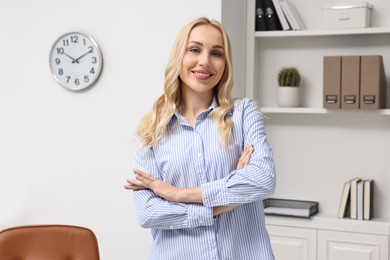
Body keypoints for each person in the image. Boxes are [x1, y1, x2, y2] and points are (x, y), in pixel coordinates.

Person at [124, 17, 276, 260]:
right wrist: (226, 202)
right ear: (179, 58)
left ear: (225, 64)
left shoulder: (244, 113)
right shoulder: (151, 129)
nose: (205, 61)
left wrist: (178, 194)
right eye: (194, 49)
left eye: (216, 53)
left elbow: (263, 179)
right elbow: (149, 213)